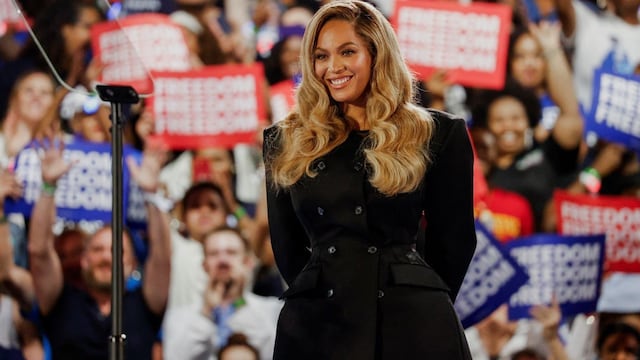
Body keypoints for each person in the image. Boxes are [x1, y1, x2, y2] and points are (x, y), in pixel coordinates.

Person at [262, 1, 477, 359]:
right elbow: (287, 249)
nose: (333, 67)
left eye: (348, 52)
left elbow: (454, 242)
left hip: (413, 327)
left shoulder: (437, 133)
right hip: (318, 327)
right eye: (320, 56)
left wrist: (418, 293)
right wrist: (325, 288)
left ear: (378, 54)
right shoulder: (285, 140)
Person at [27, 141, 172, 359]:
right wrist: (48, 187)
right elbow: (39, 252)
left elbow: (162, 257)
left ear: (132, 263)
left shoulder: (145, 303)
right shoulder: (62, 301)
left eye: (117, 251)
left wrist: (151, 194)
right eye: (98, 249)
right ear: (84, 260)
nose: (107, 257)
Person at [163, 227, 281, 360]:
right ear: (204, 265)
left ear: (247, 262)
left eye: (231, 253)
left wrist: (240, 299)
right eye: (214, 254)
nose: (222, 261)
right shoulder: (180, 317)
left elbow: (273, 352)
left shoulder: (271, 310)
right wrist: (207, 312)